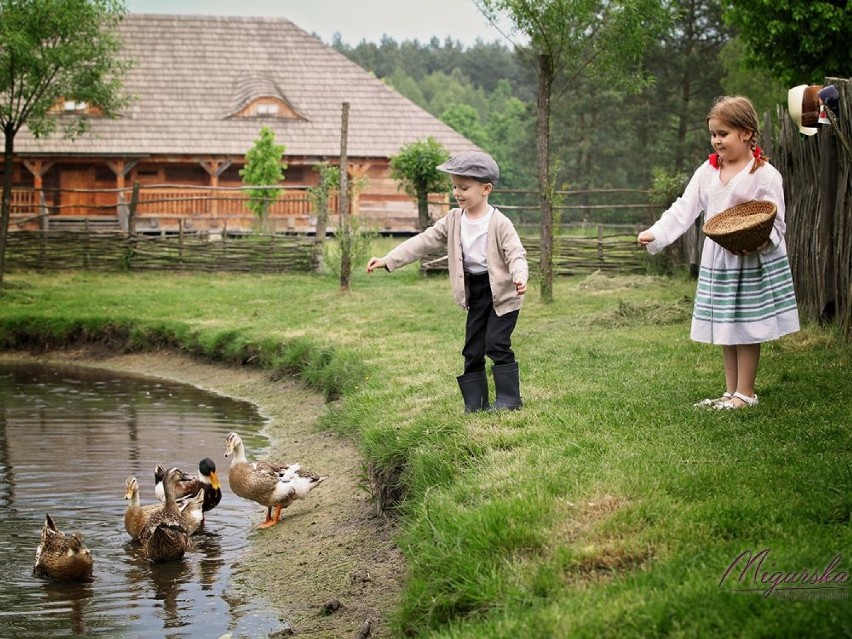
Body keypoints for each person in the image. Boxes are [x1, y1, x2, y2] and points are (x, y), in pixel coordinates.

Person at [638, 96, 799, 409]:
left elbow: (777, 222)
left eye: (723, 133)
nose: (716, 140)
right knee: (727, 325)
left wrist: (762, 242)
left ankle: (746, 392)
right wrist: (656, 233)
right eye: (713, 134)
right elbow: (685, 208)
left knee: (747, 327)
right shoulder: (707, 172)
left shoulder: (765, 175)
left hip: (749, 262)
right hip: (720, 261)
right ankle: (730, 392)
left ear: (747, 133)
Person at [366, 151, 528, 412]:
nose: (457, 193)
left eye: (464, 187)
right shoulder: (453, 220)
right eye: (454, 186)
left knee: (496, 343)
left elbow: (515, 253)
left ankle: (509, 400)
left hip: (503, 293)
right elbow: (424, 241)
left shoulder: (499, 223)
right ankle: (475, 404)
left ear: (486, 188)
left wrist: (520, 275)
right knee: (472, 349)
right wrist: (389, 259)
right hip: (475, 292)